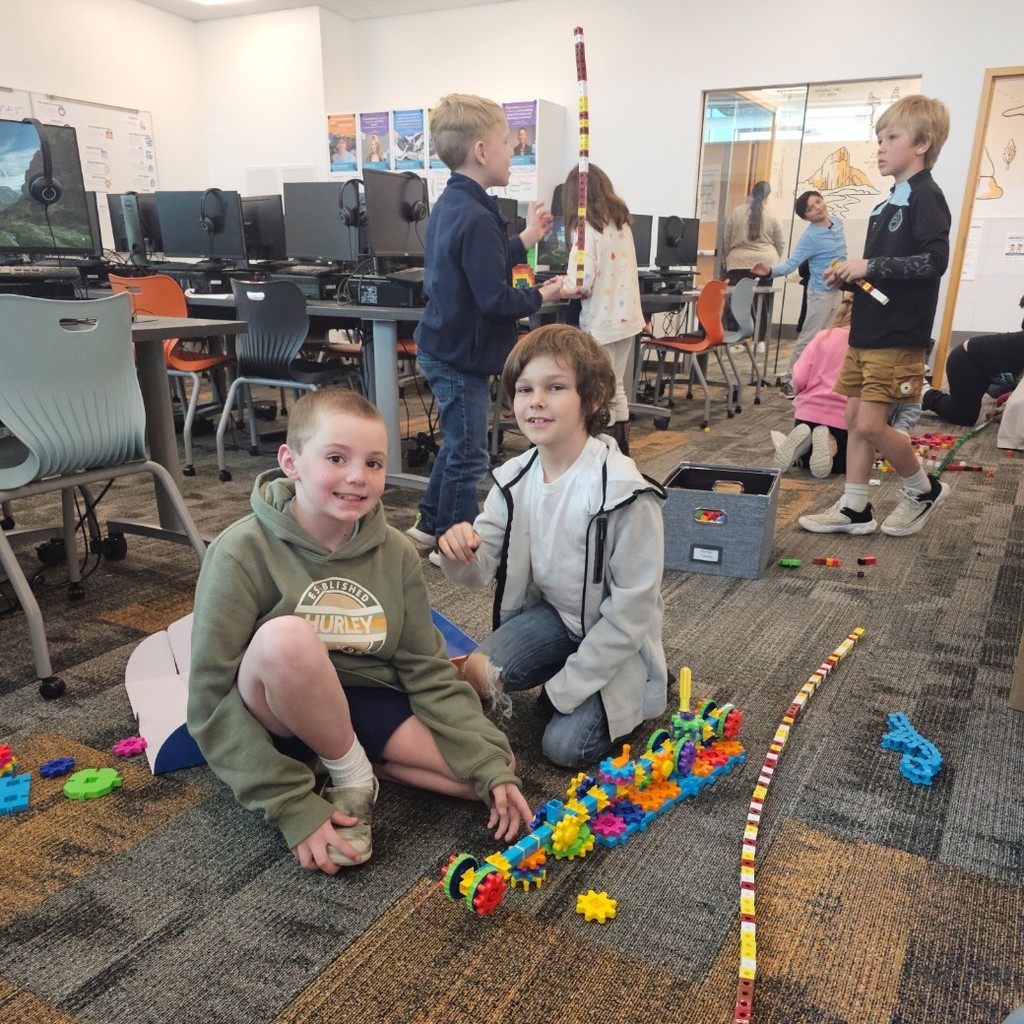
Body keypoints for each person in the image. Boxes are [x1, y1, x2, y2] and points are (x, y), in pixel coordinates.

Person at [187, 388, 532, 876]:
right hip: (276, 708)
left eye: (373, 463)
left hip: (363, 699)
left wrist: (487, 760)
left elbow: (426, 669)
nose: (357, 476)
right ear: (291, 461)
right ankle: (348, 772)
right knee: (287, 638)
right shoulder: (239, 551)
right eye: (335, 457)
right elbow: (208, 701)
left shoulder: (393, 552)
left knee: (492, 769)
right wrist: (291, 806)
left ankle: (343, 759)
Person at [437, 324, 668, 768]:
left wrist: (566, 689)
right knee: (476, 674)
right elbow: (479, 568)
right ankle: (569, 679)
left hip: (613, 635)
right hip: (555, 619)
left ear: (594, 399)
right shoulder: (515, 478)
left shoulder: (624, 491)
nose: (535, 401)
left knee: (563, 748)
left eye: (555, 387)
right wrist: (457, 552)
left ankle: (636, 691)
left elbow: (633, 610)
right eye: (524, 389)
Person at [406, 94, 564, 558]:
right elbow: (495, 298)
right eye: (505, 142)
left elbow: (483, 259)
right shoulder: (474, 213)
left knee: (458, 444)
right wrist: (543, 295)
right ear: (480, 151)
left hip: (448, 346)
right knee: (470, 452)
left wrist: (527, 239)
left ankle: (429, 522)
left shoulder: (457, 202)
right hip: (459, 354)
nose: (513, 150)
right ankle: (449, 543)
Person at [800, 94, 952, 537]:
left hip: (898, 333)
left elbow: (933, 262)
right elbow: (883, 274)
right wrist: (848, 278)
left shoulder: (927, 197)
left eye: (892, 137)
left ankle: (923, 488)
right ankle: (854, 508)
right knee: (851, 423)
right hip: (867, 329)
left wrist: (871, 266)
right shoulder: (889, 203)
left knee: (870, 424)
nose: (881, 147)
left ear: (922, 143)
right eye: (878, 138)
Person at [560, 163, 646, 455]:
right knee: (616, 386)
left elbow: (580, 282)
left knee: (598, 393)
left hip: (602, 321)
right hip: (627, 318)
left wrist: (562, 284)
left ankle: (602, 456)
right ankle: (621, 454)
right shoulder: (620, 223)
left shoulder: (585, 229)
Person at [751, 190, 847, 398]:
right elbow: (790, 264)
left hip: (838, 290)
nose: (817, 208)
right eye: (810, 209)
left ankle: (815, 380)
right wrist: (769, 271)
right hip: (820, 293)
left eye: (818, 202)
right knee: (808, 338)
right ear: (806, 217)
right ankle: (791, 381)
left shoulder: (838, 222)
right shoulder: (810, 237)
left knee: (828, 340)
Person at [775, 297, 853, 478]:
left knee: (806, 462)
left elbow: (800, 377)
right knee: (841, 465)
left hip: (807, 415)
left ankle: (801, 449)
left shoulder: (822, 336)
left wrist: (802, 395)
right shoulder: (864, 345)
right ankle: (830, 444)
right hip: (843, 419)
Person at [922, 328, 1024, 426]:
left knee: (997, 391)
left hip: (994, 372)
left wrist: (1006, 410)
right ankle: (924, 393)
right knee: (964, 417)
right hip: (966, 361)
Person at [722, 180, 784, 334]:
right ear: (767, 197)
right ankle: (759, 339)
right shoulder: (774, 215)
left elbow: (726, 239)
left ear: (751, 194)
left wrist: (726, 259)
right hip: (765, 263)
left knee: (737, 301)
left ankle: (735, 335)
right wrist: (774, 262)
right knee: (762, 302)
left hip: (738, 262)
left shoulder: (736, 212)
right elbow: (780, 243)